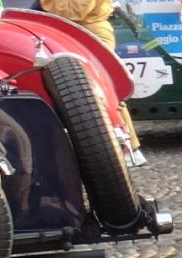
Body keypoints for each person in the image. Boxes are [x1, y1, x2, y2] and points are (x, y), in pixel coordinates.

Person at [40, 0, 148, 166]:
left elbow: (77, 11)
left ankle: (128, 146)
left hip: (90, 32)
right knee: (96, 90)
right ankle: (125, 146)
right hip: (77, 32)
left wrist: (47, 3)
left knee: (100, 90)